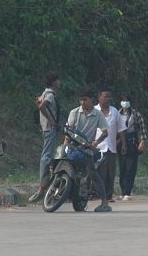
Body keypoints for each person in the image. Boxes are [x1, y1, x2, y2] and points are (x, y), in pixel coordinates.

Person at [66, 88, 112, 212]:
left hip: (87, 150)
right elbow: (68, 130)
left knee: (93, 175)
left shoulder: (98, 114)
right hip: (72, 147)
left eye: (85, 100)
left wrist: (95, 143)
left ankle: (104, 202)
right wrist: (65, 144)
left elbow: (105, 132)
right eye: (80, 100)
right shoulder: (74, 112)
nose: (82, 102)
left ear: (91, 100)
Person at [29, 71, 62, 204]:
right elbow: (42, 107)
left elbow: (39, 103)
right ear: (53, 82)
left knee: (50, 155)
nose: (59, 83)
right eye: (58, 80)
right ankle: (43, 186)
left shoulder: (45, 93)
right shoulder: (50, 95)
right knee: (47, 156)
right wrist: (51, 120)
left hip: (47, 128)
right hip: (50, 128)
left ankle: (48, 183)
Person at [95, 89, 125, 204]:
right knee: (98, 171)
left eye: (109, 97)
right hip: (97, 146)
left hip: (111, 146)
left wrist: (123, 144)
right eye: (105, 97)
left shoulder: (115, 112)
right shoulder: (95, 110)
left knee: (110, 172)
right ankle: (97, 193)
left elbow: (121, 129)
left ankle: (108, 195)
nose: (108, 99)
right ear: (99, 98)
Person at [118, 96, 147, 201]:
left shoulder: (136, 114)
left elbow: (142, 128)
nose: (125, 103)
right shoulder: (117, 114)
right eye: (123, 100)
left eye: (127, 101)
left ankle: (127, 192)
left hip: (132, 141)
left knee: (131, 167)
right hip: (120, 142)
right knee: (122, 168)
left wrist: (142, 141)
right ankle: (122, 190)